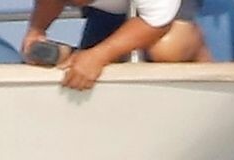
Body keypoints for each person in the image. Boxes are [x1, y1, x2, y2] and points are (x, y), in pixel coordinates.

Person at [22, 0, 211, 92]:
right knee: (88, 66)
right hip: (109, 10)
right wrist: (36, 30)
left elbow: (156, 23)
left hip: (167, 10)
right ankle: (78, 55)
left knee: (168, 49)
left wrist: (99, 55)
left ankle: (197, 47)